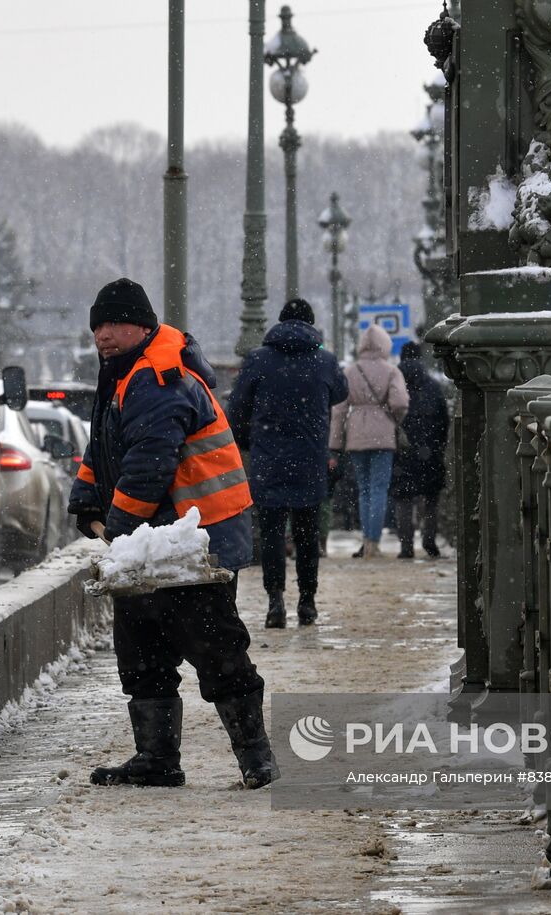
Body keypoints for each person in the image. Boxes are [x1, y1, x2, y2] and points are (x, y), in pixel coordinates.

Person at [68, 277, 279, 790]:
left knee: (216, 649)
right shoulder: (122, 375)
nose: (104, 334)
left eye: (115, 323)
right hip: (157, 538)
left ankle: (257, 760)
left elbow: (147, 465)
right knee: (142, 649)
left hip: (193, 540)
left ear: (142, 326)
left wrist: (117, 532)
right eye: (98, 325)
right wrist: (85, 495)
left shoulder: (159, 377)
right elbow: (107, 448)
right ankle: (157, 759)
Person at [226, 298, 348, 628]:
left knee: (271, 534)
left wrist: (249, 442)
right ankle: (307, 602)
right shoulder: (323, 360)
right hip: (310, 460)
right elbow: (341, 391)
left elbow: (236, 409)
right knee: (308, 536)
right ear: (311, 325)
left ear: (279, 323)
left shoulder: (258, 360)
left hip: (269, 461)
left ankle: (275, 601)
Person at [329, 324, 409, 558]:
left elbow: (339, 410)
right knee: (379, 489)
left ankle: (366, 540)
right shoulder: (391, 371)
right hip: (383, 434)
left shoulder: (350, 372)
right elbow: (401, 403)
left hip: (356, 434)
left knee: (364, 490)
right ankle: (374, 542)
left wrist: (334, 443)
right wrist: (393, 418)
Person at [390, 342, 449, 559]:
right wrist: (438, 445)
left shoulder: (395, 385)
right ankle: (429, 540)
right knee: (430, 497)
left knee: (403, 499)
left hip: (402, 449)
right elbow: (444, 420)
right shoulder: (433, 386)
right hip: (430, 449)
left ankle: (406, 546)